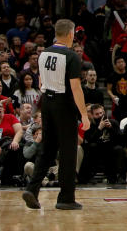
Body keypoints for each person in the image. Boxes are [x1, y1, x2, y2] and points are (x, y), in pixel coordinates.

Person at [21, 19, 91, 211]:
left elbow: (41, 81)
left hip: (47, 102)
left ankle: (32, 189)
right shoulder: (71, 56)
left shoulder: (43, 54)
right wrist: (84, 115)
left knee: (47, 148)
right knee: (69, 151)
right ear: (71, 34)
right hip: (64, 103)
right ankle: (66, 198)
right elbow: (76, 88)